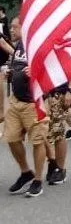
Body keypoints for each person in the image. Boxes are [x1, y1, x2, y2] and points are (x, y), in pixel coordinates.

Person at [2, 17, 50, 197]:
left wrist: (37, 72)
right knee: (11, 138)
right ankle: (25, 172)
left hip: (33, 102)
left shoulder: (38, 46)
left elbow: (52, 70)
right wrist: (11, 72)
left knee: (37, 141)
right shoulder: (19, 46)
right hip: (16, 101)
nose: (11, 30)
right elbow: (19, 66)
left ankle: (37, 180)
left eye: (14, 27)